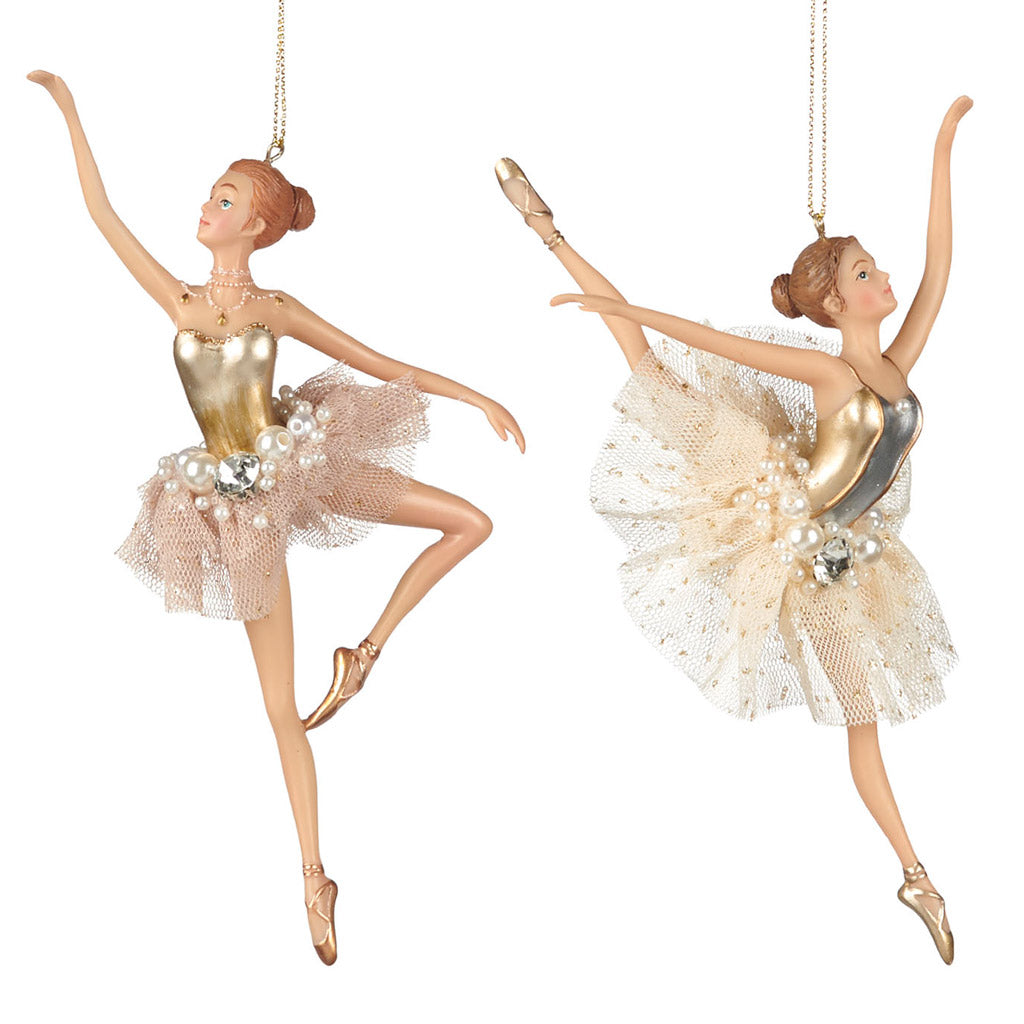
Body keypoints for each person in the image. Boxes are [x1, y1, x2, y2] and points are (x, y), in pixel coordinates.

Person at [29, 70, 525, 965]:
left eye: (224, 199)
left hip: (304, 464)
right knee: (276, 706)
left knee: (470, 521)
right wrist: (69, 110)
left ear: (256, 225)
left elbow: (381, 362)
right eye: (210, 194)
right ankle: (314, 878)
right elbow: (102, 216)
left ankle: (365, 655)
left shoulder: (277, 309)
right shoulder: (180, 300)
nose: (206, 207)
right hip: (231, 507)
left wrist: (475, 396)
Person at [494, 94, 971, 965]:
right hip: (770, 509)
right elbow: (702, 341)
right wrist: (612, 302)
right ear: (835, 301)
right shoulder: (828, 373)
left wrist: (942, 145)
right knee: (649, 366)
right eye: (864, 271)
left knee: (863, 719)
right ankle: (550, 232)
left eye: (875, 266)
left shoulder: (895, 363)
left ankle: (914, 876)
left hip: (838, 549)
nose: (884, 278)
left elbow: (941, 269)